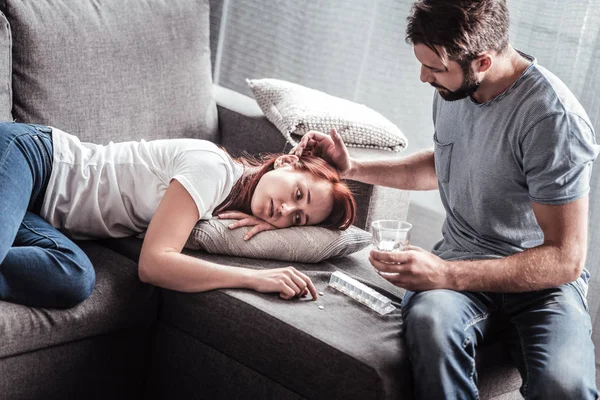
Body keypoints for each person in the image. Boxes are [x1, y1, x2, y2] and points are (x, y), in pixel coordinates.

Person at [292, 0, 599, 398]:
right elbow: (444, 165)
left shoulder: (553, 121)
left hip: (543, 284)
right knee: (432, 323)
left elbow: (565, 258)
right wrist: (351, 168)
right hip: (462, 256)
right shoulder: (455, 88)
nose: (423, 77)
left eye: (435, 68)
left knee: (566, 386)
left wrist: (446, 275)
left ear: (483, 62)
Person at [0, 122, 356, 309]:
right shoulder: (213, 169)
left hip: (37, 212)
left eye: (297, 219)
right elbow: (154, 263)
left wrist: (273, 222)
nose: (287, 209)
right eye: (297, 194)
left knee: (73, 279)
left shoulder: (224, 204)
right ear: (286, 161)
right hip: (31, 159)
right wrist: (254, 279)